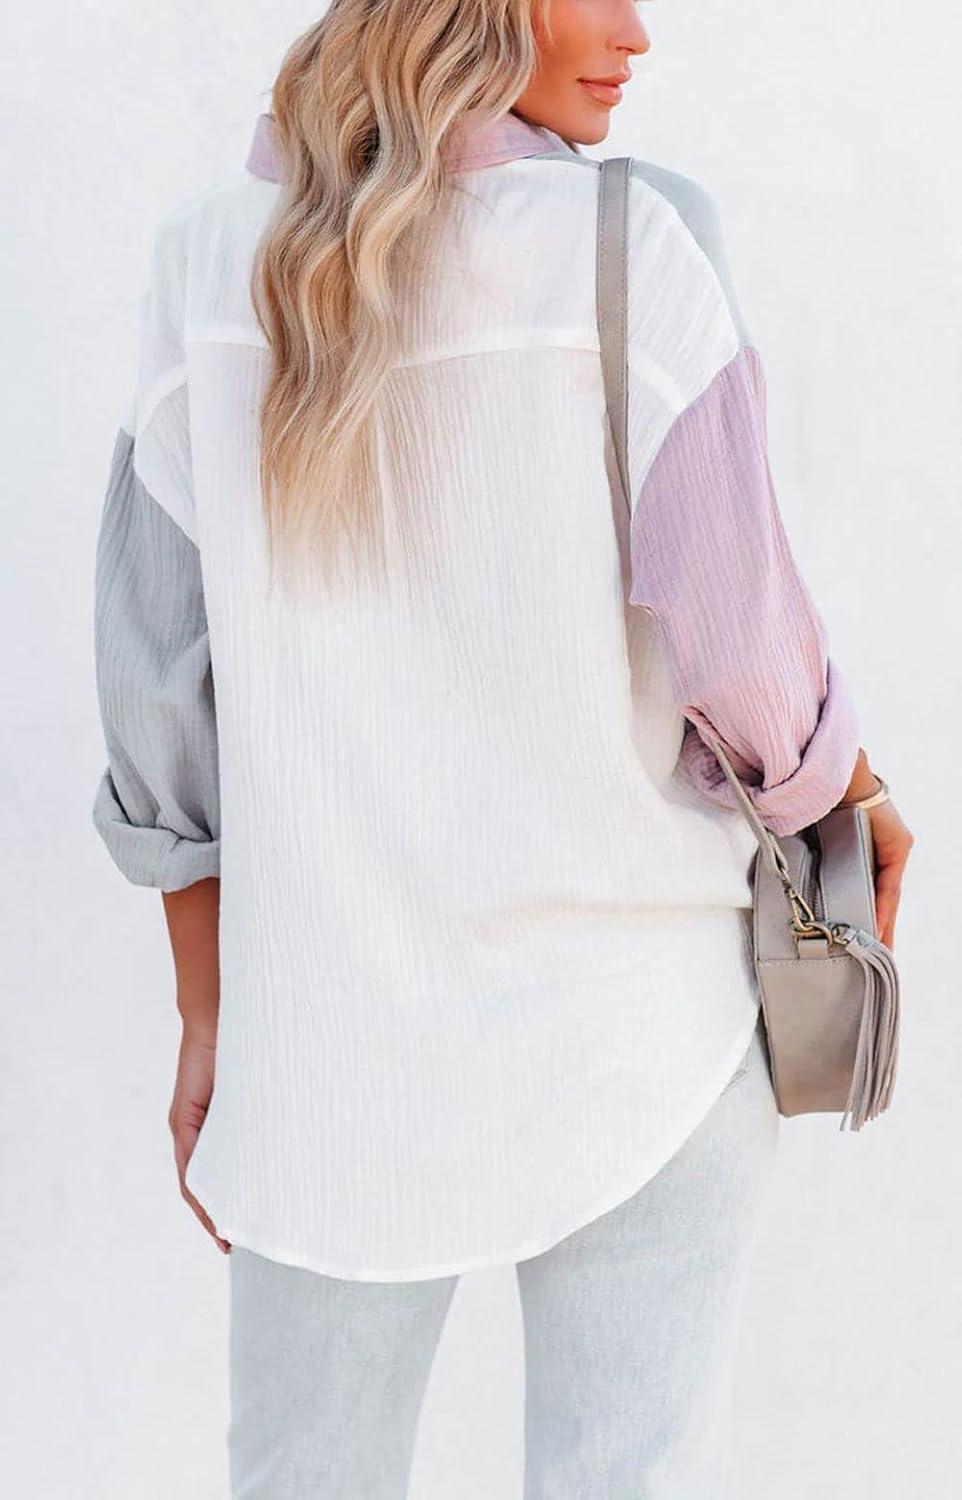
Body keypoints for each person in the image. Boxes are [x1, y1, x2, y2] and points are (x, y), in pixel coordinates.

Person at [91, 1, 914, 1495]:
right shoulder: (633, 243)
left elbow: (157, 693)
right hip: (643, 1031)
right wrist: (851, 790)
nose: (636, 33)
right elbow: (745, 658)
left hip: (330, 1057)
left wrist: (209, 1014)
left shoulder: (208, 262)